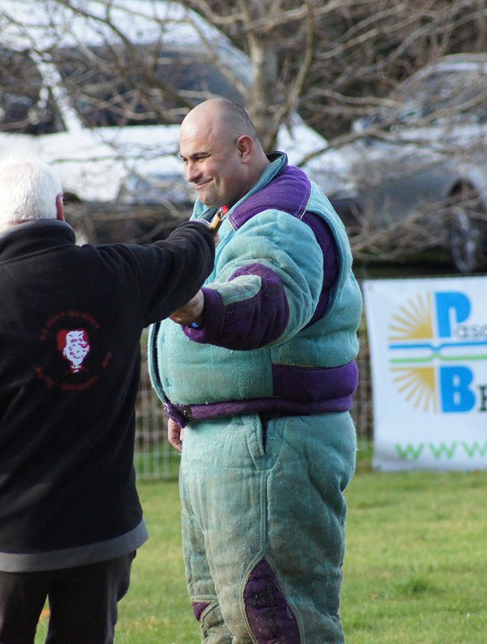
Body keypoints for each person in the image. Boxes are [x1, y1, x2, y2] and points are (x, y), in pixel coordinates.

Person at [0, 158, 216, 643]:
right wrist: (203, 224)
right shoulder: (120, 273)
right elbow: (184, 257)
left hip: (6, 535)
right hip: (103, 531)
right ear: (61, 209)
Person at [148, 98, 363, 643]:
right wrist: (182, 405)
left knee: (275, 619)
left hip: (269, 449)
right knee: (222, 620)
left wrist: (199, 307)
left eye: (201, 157)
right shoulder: (224, 211)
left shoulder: (282, 218)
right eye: (184, 159)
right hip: (225, 442)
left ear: (245, 148)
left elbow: (267, 300)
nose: (191, 171)